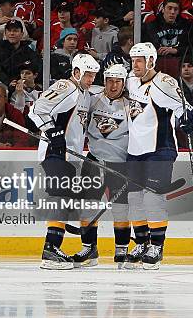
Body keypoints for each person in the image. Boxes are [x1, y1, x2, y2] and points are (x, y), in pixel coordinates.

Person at [124, 42, 193, 270]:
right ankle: (142, 241)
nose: (134, 64)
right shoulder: (130, 79)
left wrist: (187, 119)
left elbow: (185, 110)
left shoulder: (164, 83)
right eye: (133, 59)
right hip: (135, 150)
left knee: (153, 197)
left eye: (139, 60)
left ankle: (156, 245)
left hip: (160, 148)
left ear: (151, 61)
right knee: (134, 199)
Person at [28, 54, 100, 269]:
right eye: (87, 74)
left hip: (71, 156)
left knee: (70, 199)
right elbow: (37, 109)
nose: (90, 79)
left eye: (93, 75)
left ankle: (83, 246)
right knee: (59, 197)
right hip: (56, 153)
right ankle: (50, 250)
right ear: (76, 72)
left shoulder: (84, 93)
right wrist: (53, 131)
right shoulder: (66, 87)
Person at [74, 64, 131, 268]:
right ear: (104, 81)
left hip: (120, 163)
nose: (113, 85)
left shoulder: (130, 104)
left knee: (121, 209)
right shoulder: (93, 97)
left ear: (124, 83)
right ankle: (89, 248)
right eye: (109, 81)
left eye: (118, 81)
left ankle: (122, 250)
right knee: (86, 206)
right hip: (94, 159)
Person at [0, 19, 42, 84]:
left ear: (22, 34)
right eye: (9, 31)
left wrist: (20, 81)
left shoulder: (29, 50)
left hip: (24, 86)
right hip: (2, 86)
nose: (12, 33)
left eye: (15, 31)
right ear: (5, 33)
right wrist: (8, 82)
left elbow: (37, 69)